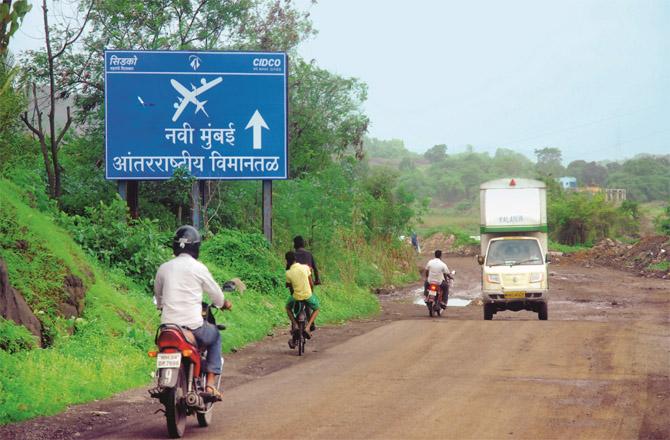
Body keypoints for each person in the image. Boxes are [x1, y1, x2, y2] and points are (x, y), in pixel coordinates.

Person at [154, 225, 232, 401]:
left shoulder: (164, 268)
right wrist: (223, 303)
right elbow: (217, 295)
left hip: (168, 328)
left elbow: (158, 298)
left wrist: (161, 307)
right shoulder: (198, 268)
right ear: (196, 247)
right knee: (215, 335)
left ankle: (162, 379)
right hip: (193, 327)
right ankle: (210, 385)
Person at [284, 250, 320, 349]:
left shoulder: (288, 273)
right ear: (295, 259)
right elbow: (311, 283)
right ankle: (308, 327)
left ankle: (295, 324)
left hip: (296, 297)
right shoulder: (305, 267)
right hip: (308, 295)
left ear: (287, 261)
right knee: (316, 308)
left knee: (287, 308)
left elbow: (290, 287)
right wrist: (311, 293)